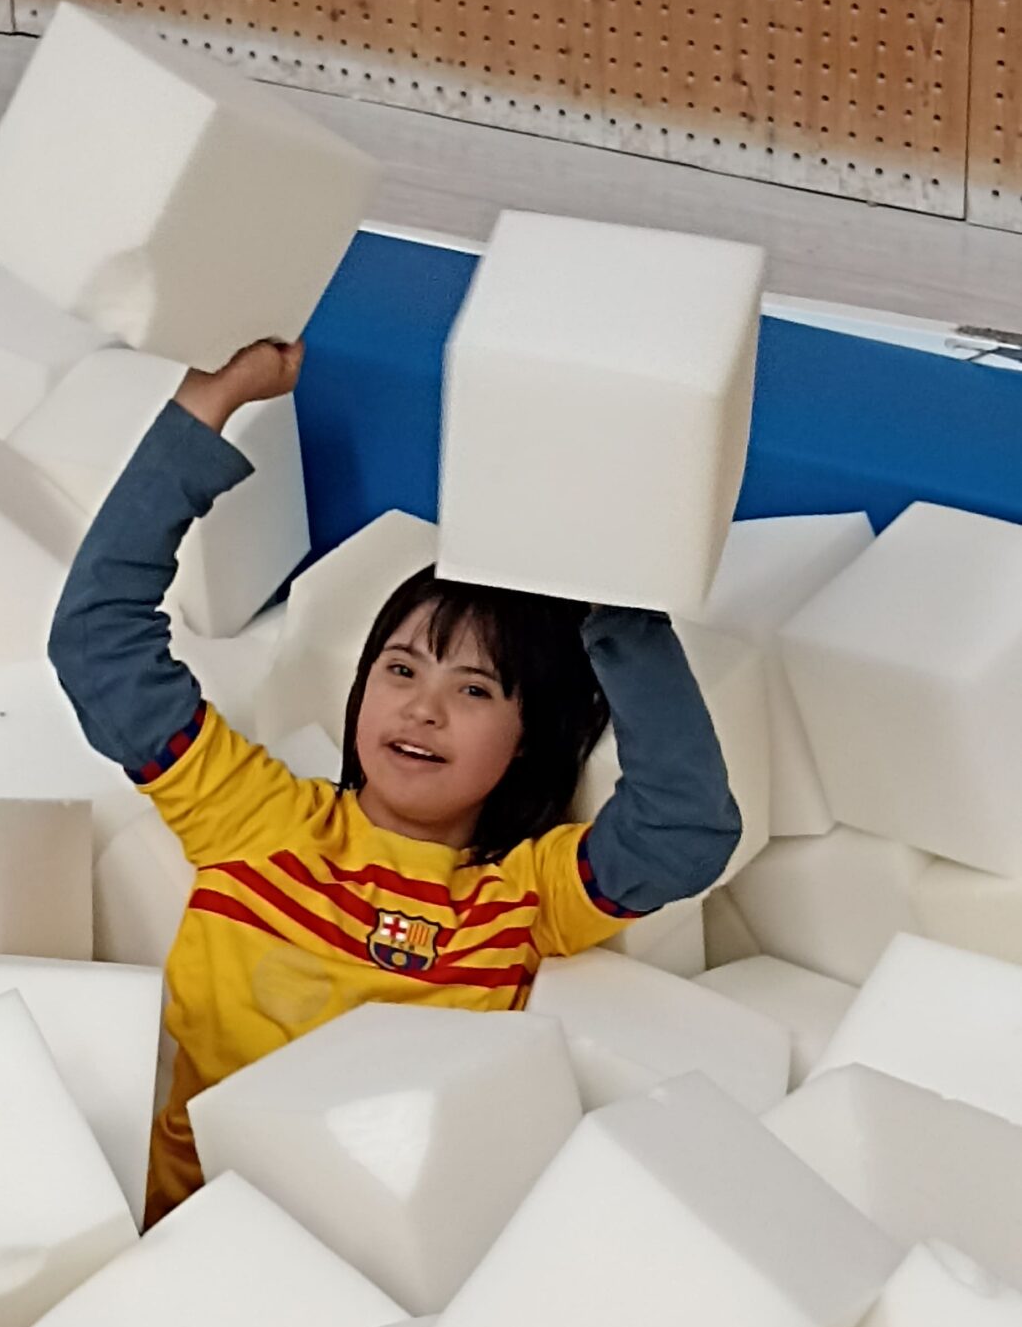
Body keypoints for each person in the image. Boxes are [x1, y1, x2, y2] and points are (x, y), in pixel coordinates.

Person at [50, 338, 741, 1225]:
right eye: (402, 670)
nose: (423, 708)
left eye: (475, 690)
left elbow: (684, 829)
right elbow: (97, 643)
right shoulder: (254, 819)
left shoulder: (522, 899)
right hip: (194, 1233)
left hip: (391, 1259)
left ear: (528, 743)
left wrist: (616, 602)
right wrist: (210, 403)